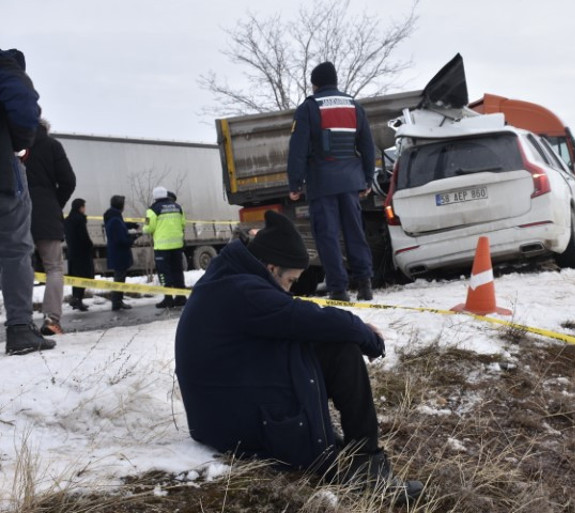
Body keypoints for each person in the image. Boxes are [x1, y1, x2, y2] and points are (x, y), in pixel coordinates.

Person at [175, 210, 422, 501]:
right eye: (290, 281)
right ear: (270, 267)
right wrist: (363, 333)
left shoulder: (232, 278)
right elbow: (302, 315)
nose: (289, 290)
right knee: (341, 350)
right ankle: (368, 466)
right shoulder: (243, 290)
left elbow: (293, 317)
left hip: (221, 405)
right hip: (230, 421)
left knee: (326, 342)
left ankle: (355, 452)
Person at [287, 61, 375, 302]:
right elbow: (367, 145)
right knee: (354, 232)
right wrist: (368, 178)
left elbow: (298, 149)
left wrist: (294, 184)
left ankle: (338, 289)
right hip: (351, 181)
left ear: (315, 84)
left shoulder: (308, 108)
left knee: (327, 236)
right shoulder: (354, 106)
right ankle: (365, 284)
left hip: (322, 182)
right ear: (335, 81)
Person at [0, 48, 56, 355]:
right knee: (15, 250)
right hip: (2, 176)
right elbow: (23, 106)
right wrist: (19, 143)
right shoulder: (4, 64)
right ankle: (20, 329)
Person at [25, 118, 76, 335]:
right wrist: (55, 203)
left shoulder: (11, 145)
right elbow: (68, 181)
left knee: (20, 267)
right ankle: (51, 320)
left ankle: (21, 321)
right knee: (54, 267)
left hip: (16, 213)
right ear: (45, 128)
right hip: (47, 212)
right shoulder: (52, 145)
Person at [143, 185, 186, 308]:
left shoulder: (152, 210)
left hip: (162, 248)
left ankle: (168, 300)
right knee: (178, 271)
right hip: (177, 246)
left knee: (164, 273)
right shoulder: (178, 207)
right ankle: (181, 297)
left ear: (155, 196)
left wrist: (144, 228)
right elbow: (183, 223)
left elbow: (148, 227)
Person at [104, 195, 138, 311]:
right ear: (121, 206)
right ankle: (117, 302)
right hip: (120, 254)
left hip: (117, 254)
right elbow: (121, 240)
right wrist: (134, 237)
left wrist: (131, 225)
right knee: (119, 279)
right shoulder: (115, 220)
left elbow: (121, 226)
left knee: (119, 278)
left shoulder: (113, 217)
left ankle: (118, 301)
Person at [63, 198, 93, 311]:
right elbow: (84, 237)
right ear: (80, 207)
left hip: (72, 252)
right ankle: (78, 300)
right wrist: (90, 245)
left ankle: (75, 299)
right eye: (84, 206)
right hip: (82, 253)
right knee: (82, 276)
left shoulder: (68, 220)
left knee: (75, 277)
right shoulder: (79, 219)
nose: (84, 209)